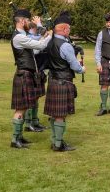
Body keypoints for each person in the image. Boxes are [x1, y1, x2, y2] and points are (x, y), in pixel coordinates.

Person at [10, 9, 52, 149]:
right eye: (28, 21)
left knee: (24, 107)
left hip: (27, 74)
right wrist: (51, 35)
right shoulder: (18, 38)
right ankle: (15, 140)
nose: (29, 23)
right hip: (23, 75)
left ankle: (19, 137)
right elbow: (40, 44)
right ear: (22, 21)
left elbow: (36, 42)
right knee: (20, 109)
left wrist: (40, 28)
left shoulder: (23, 36)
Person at [44, 14, 86, 152]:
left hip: (52, 80)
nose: (69, 31)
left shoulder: (49, 42)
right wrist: (82, 68)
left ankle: (54, 140)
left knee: (54, 114)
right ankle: (58, 144)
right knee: (60, 115)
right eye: (68, 29)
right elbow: (75, 67)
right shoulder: (65, 46)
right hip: (63, 82)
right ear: (63, 29)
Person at [23, 19, 49, 132]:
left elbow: (41, 34)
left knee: (37, 97)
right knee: (32, 98)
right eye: (34, 30)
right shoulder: (28, 38)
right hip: (32, 71)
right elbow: (38, 47)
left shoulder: (34, 36)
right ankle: (28, 124)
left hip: (39, 71)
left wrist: (40, 26)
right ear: (30, 30)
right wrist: (46, 37)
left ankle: (35, 121)